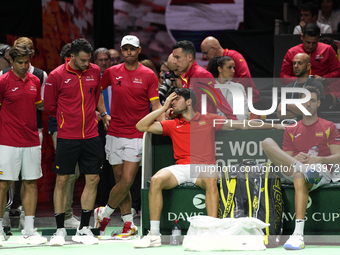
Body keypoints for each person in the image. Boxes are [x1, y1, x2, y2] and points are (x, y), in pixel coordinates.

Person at [133, 88, 283, 248]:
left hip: (203, 168)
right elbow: (141, 126)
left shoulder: (209, 119)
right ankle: (154, 235)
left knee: (211, 179)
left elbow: (243, 125)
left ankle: (212, 233)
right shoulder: (172, 124)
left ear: (189, 101)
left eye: (176, 99)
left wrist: (275, 125)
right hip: (181, 168)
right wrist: (163, 108)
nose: (172, 102)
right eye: (171, 100)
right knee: (156, 180)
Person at [94, 35, 163, 239]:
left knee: (127, 180)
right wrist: (104, 113)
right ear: (121, 51)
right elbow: (97, 91)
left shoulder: (149, 75)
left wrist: (162, 121)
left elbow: (156, 104)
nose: (129, 52)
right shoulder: (112, 72)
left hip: (137, 134)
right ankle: (128, 225)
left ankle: (104, 213)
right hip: (114, 133)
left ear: (139, 50)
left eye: (132, 49)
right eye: (125, 49)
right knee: (119, 180)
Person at [262, 86, 340, 250]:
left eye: (312, 100)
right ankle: (300, 167)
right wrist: (294, 159)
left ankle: (298, 234)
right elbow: (285, 157)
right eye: (304, 101)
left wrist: (319, 159)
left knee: (300, 175)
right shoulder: (291, 129)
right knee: (266, 142)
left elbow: (338, 157)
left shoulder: (329, 126)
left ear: (318, 103)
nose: (308, 104)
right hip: (296, 167)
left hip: (319, 172)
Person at [44, 38, 102, 246]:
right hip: (67, 136)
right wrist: (66, 119)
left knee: (93, 179)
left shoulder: (95, 71)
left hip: (92, 135)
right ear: (73, 57)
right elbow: (50, 106)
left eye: (89, 60)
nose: (87, 64)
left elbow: (96, 95)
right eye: (83, 60)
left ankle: (84, 228)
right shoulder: (56, 75)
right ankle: (60, 229)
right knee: (62, 180)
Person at [0, 43, 47, 246]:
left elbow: (39, 106)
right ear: (12, 61)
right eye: (20, 62)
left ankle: (29, 228)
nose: (24, 66)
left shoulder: (35, 80)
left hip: (31, 141)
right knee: (3, 185)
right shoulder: (2, 81)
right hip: (7, 141)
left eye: (27, 62)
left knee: (30, 182)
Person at [48, 42, 81, 229]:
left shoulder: (83, 77)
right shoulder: (57, 76)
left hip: (79, 131)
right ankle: (65, 216)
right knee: (66, 173)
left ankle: (66, 213)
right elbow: (51, 107)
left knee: (74, 172)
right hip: (61, 130)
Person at [172, 40, 237, 120]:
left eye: (177, 57)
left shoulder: (202, 75)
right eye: (174, 58)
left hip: (204, 126)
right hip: (190, 126)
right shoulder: (185, 77)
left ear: (189, 57)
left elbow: (219, 100)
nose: (174, 61)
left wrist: (234, 121)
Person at [280, 23, 340, 93]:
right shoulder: (292, 52)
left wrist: (323, 79)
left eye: (314, 43)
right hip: (298, 92)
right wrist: (299, 80)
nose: (310, 46)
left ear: (319, 38)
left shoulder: (328, 50)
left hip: (322, 92)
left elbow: (338, 71)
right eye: (308, 42)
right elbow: (283, 76)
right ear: (302, 37)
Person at [200, 36, 261, 105]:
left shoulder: (234, 56)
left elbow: (245, 76)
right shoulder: (212, 64)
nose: (205, 56)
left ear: (213, 49)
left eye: (205, 53)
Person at [277, 53, 327, 119]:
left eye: (300, 63)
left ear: (308, 66)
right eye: (294, 63)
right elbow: (280, 114)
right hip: (290, 126)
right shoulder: (288, 87)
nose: (296, 66)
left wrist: (286, 105)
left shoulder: (316, 85)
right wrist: (301, 111)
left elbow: (312, 111)